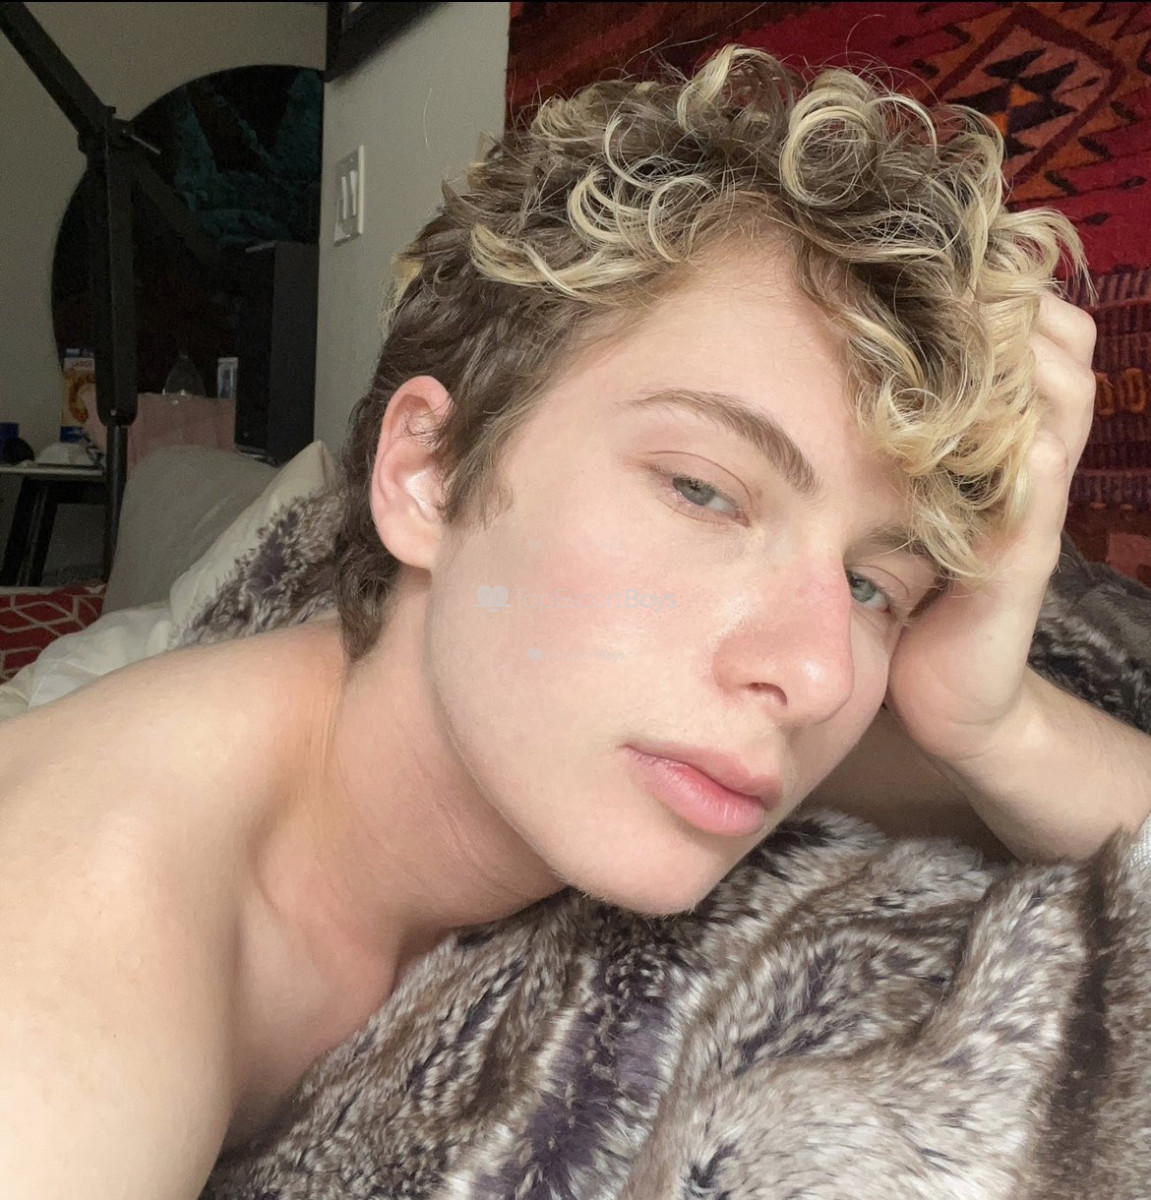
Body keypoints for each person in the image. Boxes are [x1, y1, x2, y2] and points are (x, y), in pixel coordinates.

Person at [0, 44, 1145, 1199]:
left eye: (869, 586)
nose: (811, 671)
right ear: (427, 475)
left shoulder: (643, 714)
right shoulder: (69, 950)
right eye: (701, 491)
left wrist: (987, 722)